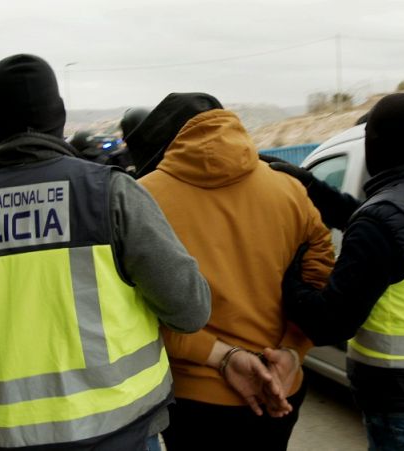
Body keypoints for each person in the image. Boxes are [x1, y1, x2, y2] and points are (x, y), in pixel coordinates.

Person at [0, 54, 211, 451]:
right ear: (58, 115)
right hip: (119, 430)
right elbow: (189, 309)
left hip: (10, 434)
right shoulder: (107, 192)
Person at [272, 93, 404, 450]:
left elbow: (330, 323)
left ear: (373, 144)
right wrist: (310, 186)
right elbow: (389, 231)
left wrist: (286, 274)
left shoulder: (382, 223)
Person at [128, 92, 336, 451]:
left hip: (193, 398)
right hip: (282, 386)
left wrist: (220, 354)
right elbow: (320, 275)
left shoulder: (141, 198)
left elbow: (135, 309)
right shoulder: (289, 189)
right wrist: (292, 350)